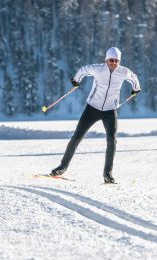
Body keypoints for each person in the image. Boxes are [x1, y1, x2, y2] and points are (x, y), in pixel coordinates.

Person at [50, 47, 141, 183]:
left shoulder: (123, 72)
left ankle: (107, 174)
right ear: (106, 59)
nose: (113, 63)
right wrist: (76, 81)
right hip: (92, 108)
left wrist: (136, 89)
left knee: (112, 140)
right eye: (111, 60)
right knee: (77, 137)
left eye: (116, 61)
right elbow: (83, 70)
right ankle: (62, 167)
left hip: (110, 111)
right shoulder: (98, 69)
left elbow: (134, 78)